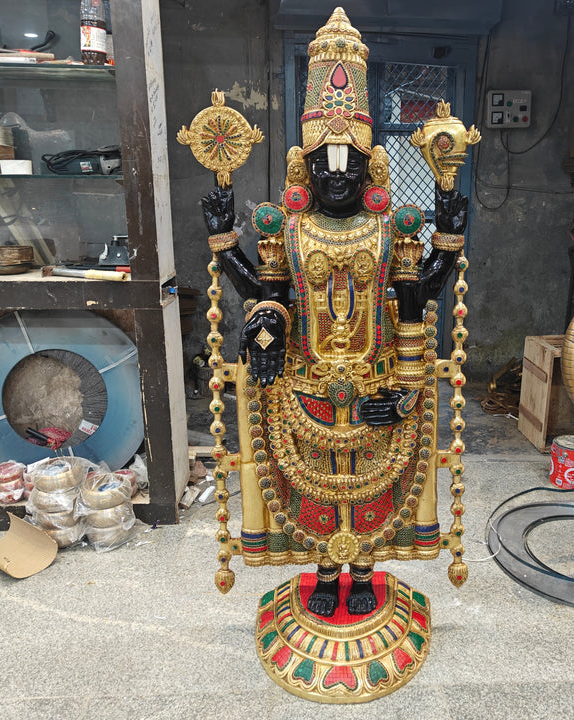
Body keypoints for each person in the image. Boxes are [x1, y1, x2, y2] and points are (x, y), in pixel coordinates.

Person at [201, 7, 467, 617]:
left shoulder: (391, 230)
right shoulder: (286, 230)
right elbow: (265, 295)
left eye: (350, 163)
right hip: (305, 382)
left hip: (377, 377)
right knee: (315, 489)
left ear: (372, 168)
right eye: (325, 163)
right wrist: (225, 242)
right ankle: (325, 571)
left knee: (374, 482)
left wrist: (448, 243)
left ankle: (366, 570)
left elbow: (418, 298)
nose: (337, 176)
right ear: (304, 168)